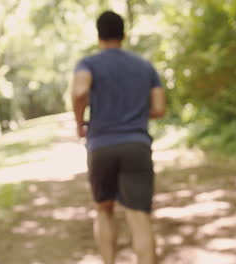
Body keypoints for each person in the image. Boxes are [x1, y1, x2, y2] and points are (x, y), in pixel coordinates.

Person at [71, 10, 166, 264]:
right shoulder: (145, 66)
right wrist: (134, 115)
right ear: (123, 35)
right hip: (137, 145)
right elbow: (158, 108)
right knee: (139, 216)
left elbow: (80, 91)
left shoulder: (88, 64)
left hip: (101, 145)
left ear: (98, 35)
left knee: (104, 209)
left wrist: (80, 123)